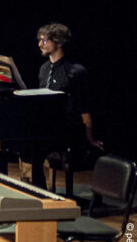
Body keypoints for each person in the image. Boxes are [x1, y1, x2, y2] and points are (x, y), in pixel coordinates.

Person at [26, 23, 104, 189]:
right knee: (28, 142)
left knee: (37, 146)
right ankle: (36, 191)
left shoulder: (76, 71)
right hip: (49, 129)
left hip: (69, 130)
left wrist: (90, 138)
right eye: (39, 40)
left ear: (59, 42)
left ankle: (41, 194)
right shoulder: (43, 69)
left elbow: (85, 109)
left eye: (45, 40)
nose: (40, 44)